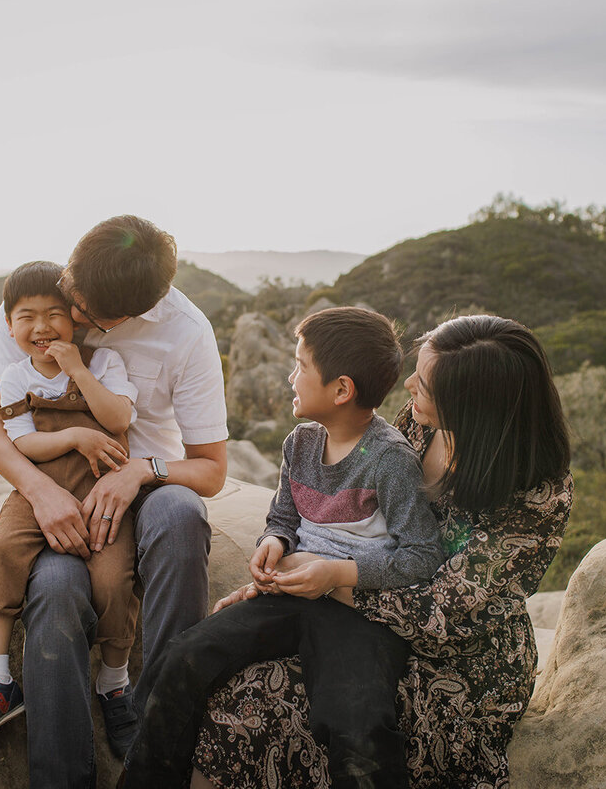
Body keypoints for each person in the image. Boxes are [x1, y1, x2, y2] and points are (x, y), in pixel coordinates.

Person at [191, 314, 574, 789]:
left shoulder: (535, 495)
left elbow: (446, 611)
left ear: (470, 406)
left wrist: (324, 580)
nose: (409, 383)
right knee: (226, 682)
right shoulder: (416, 429)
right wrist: (279, 582)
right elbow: (364, 535)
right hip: (365, 618)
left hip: (457, 662)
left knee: (272, 704)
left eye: (426, 384)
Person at [124, 306, 445, 789]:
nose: (290, 376)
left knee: (355, 720)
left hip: (356, 612)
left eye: (300, 366)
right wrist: (273, 542)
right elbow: (284, 517)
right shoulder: (300, 445)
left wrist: (336, 572)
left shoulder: (390, 460)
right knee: (184, 656)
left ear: (341, 389)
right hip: (291, 594)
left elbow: (421, 555)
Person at [0, 216, 228, 786]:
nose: (71, 320)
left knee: (182, 516)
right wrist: (41, 493)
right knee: (57, 589)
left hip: (150, 485)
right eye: (74, 296)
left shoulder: (187, 335)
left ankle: (162, 717)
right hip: (60, 486)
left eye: (89, 316)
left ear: (131, 317)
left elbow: (211, 471)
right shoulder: (37, 305)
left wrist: (141, 470)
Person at [0, 261, 140, 745]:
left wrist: (77, 369)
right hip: (38, 488)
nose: (41, 327)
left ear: (75, 317)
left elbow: (117, 418)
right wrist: (74, 435)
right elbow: (21, 444)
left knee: (114, 580)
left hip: (101, 494)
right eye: (26, 316)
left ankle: (114, 684)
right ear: (8, 325)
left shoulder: (103, 364)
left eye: (54, 314)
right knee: (2, 548)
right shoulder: (14, 379)